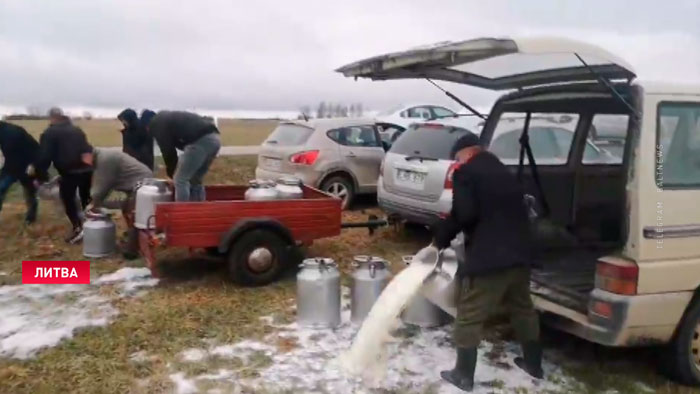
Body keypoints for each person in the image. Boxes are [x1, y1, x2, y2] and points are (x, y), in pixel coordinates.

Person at [433, 132, 542, 391]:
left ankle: (463, 375)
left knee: (469, 314)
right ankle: (534, 364)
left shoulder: (466, 173)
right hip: (520, 254)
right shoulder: (502, 170)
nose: (457, 162)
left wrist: (441, 237)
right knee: (523, 308)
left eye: (457, 158)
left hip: (489, 258)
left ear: (465, 153)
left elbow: (465, 214)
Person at [81, 148, 153, 259]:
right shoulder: (101, 158)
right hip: (136, 184)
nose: (84, 163)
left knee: (135, 215)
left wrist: (92, 204)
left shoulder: (105, 159)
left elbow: (102, 186)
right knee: (127, 209)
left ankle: (131, 251)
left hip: (142, 183)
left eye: (83, 159)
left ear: (87, 155)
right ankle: (132, 239)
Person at [35, 107, 94, 244]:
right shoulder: (77, 130)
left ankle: (78, 228)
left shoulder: (49, 133)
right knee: (86, 199)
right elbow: (88, 149)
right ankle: (92, 226)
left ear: (52, 118)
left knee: (68, 200)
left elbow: (45, 156)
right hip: (87, 170)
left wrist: (40, 174)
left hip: (69, 172)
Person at [147, 111, 221, 201]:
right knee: (195, 179)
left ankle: (181, 211)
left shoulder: (158, 125)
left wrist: (171, 175)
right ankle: (199, 209)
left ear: (147, 125)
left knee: (180, 180)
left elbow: (168, 152)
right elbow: (180, 144)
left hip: (200, 141)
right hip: (215, 138)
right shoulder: (167, 118)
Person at [0, 121, 40, 224]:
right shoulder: (5, 131)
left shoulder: (13, 132)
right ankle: (31, 217)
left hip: (25, 167)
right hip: (12, 166)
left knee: (29, 192)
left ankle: (31, 218)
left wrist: (33, 165)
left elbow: (35, 148)